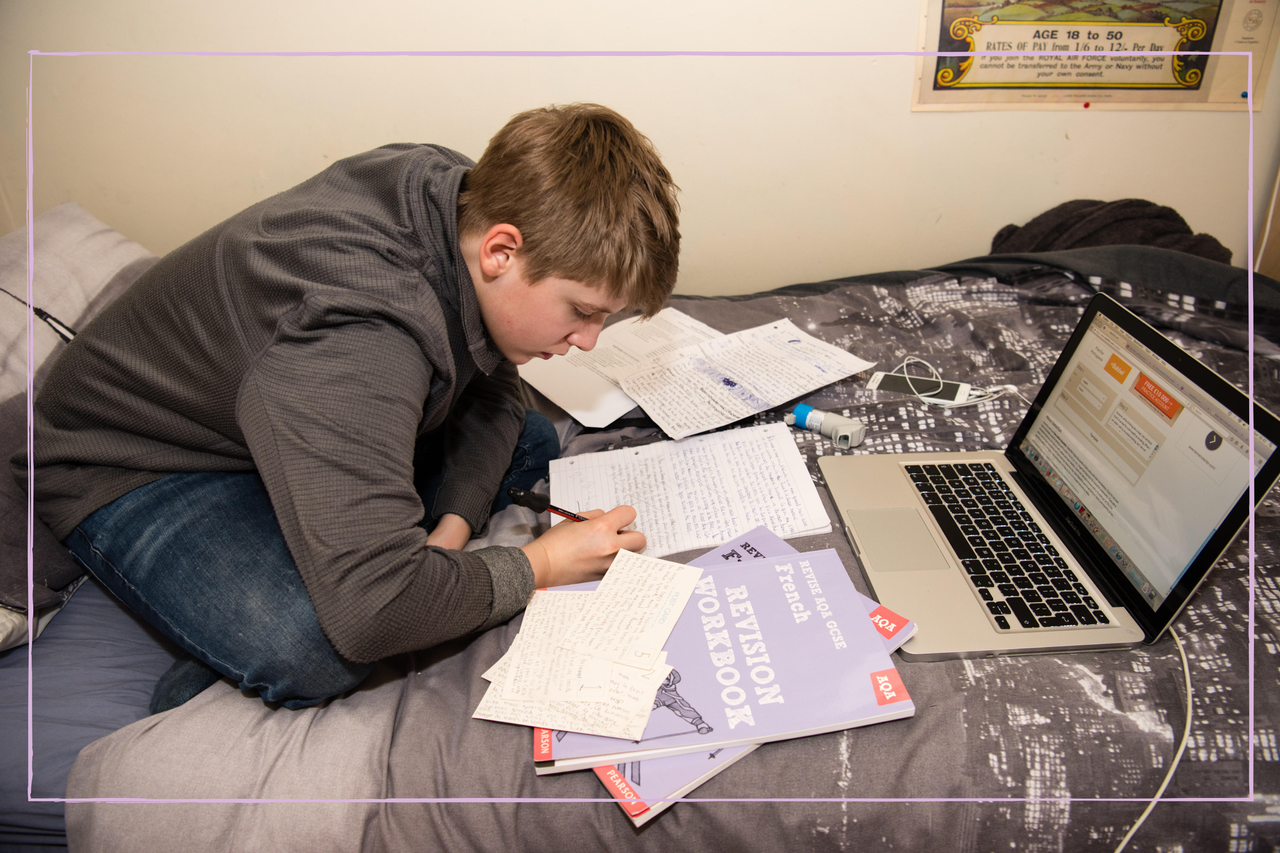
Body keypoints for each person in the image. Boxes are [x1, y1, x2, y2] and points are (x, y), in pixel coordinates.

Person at [15, 103, 681, 712]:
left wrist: (445, 539)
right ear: (501, 250)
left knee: (527, 438)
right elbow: (375, 613)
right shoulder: (359, 341)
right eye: (582, 312)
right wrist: (539, 566)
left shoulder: (453, 189)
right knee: (315, 644)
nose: (588, 341)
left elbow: (491, 377)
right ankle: (203, 677)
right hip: (138, 460)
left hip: (275, 404)